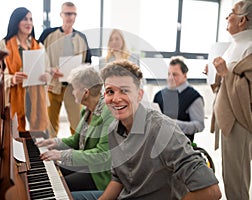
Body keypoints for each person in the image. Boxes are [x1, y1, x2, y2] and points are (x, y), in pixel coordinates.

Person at [94, 59, 221, 199]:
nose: (116, 98)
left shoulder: (161, 130)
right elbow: (118, 178)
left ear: (139, 95)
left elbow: (211, 191)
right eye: (110, 91)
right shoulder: (113, 130)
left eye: (124, 90)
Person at [35, 65, 113, 193]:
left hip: (99, 174)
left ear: (86, 92)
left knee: (57, 187)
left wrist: (61, 155)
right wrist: (55, 142)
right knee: (52, 172)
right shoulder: (87, 110)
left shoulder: (108, 114)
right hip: (86, 165)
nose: (72, 92)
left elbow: (102, 154)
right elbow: (77, 140)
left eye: (74, 88)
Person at [211, 0, 252, 199]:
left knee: (237, 179)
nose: (227, 17)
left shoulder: (250, 46)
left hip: (240, 120)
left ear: (243, 20)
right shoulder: (235, 45)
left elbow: (248, 88)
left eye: (232, 12)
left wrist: (225, 73)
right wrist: (216, 74)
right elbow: (229, 79)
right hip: (229, 117)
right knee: (230, 176)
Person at [38, 2, 92, 138]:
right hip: (52, 87)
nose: (71, 17)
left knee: (77, 124)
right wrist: (49, 70)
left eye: (74, 14)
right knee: (50, 125)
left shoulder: (82, 38)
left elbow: (87, 63)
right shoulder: (48, 35)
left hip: (73, 89)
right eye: (68, 13)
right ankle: (51, 154)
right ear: (61, 15)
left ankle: (77, 155)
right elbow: (36, 57)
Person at [0, 7, 50, 134]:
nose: (29, 23)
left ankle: (36, 153)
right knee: (13, 133)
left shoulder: (39, 46)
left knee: (39, 134)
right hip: (13, 96)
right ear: (16, 21)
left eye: (31, 19)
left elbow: (47, 70)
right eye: (25, 19)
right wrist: (12, 79)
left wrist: (46, 76)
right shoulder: (3, 45)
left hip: (35, 96)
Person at [153, 56, 205, 142]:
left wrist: (174, 124)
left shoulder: (194, 97)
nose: (170, 78)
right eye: (169, 74)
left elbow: (200, 125)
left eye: (175, 74)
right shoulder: (159, 95)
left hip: (182, 148)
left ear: (185, 76)